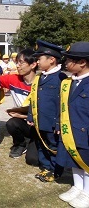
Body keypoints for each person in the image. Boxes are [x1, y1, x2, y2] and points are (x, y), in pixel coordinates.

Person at [0, 49, 39, 164]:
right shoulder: (13, 79)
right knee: (11, 123)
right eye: (17, 62)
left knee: (33, 160)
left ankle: (35, 141)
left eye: (21, 63)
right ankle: (20, 144)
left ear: (33, 65)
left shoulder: (42, 83)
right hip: (22, 121)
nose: (17, 66)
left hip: (39, 123)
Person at [28, 40, 67, 182]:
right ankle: (46, 167)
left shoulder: (61, 78)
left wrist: (58, 123)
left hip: (52, 122)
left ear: (52, 60)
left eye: (39, 59)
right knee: (41, 144)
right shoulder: (39, 76)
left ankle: (55, 170)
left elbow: (62, 103)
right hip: (40, 120)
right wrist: (31, 115)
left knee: (53, 146)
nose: (37, 62)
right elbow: (34, 98)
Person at [56, 42, 89, 207]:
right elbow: (62, 107)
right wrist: (58, 125)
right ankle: (77, 186)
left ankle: (87, 192)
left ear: (82, 62)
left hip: (85, 131)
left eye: (69, 60)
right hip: (69, 130)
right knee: (73, 160)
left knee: (87, 162)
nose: (66, 63)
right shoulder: (68, 82)